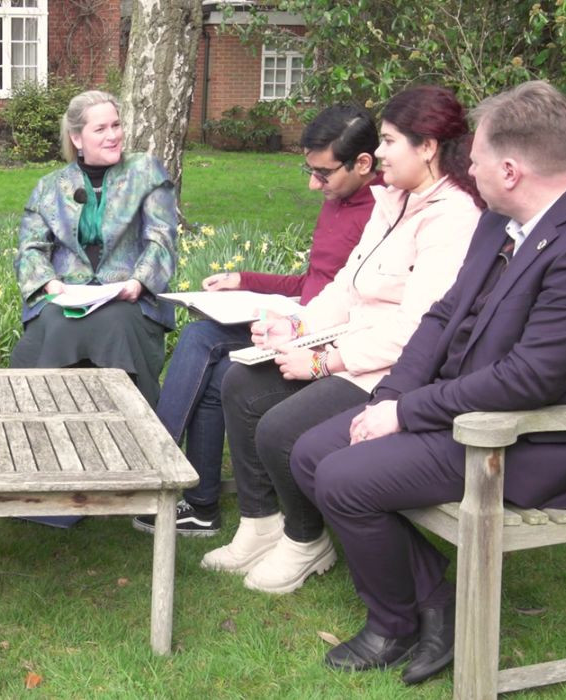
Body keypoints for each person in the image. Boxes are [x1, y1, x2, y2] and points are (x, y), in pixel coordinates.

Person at [289, 80, 566, 684]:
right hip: (472, 413)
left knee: (344, 477)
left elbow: (527, 381)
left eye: (475, 158)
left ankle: (393, 624)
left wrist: (405, 415)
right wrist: (389, 397)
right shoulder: (506, 219)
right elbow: (442, 317)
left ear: (509, 170)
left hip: (537, 442)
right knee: (310, 452)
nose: (466, 166)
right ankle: (436, 600)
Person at [201, 86, 484, 593]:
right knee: (242, 381)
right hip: (349, 345)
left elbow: (419, 332)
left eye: (391, 141)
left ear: (428, 148)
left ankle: (306, 540)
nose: (379, 155)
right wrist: (300, 327)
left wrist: (325, 362)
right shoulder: (393, 198)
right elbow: (347, 283)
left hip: (392, 373)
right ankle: (260, 522)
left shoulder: (453, 218)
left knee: (280, 427)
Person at [133, 105, 381, 537]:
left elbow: (362, 303)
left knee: (206, 350)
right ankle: (197, 502)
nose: (312, 183)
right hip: (303, 317)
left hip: (325, 337)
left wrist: (303, 328)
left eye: (323, 173)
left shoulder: (379, 214)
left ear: (363, 163)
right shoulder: (339, 200)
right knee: (206, 353)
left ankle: (157, 467)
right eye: (309, 170)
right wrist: (244, 279)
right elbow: (314, 281)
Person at [11, 90, 177, 406]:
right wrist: (50, 283)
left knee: (116, 323)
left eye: (116, 125)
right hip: (66, 295)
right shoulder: (50, 186)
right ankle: (51, 425)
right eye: (100, 129)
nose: (113, 136)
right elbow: (29, 249)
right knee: (59, 324)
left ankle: (137, 428)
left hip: (130, 297)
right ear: (77, 138)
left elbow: (163, 240)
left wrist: (138, 282)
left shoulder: (146, 173)